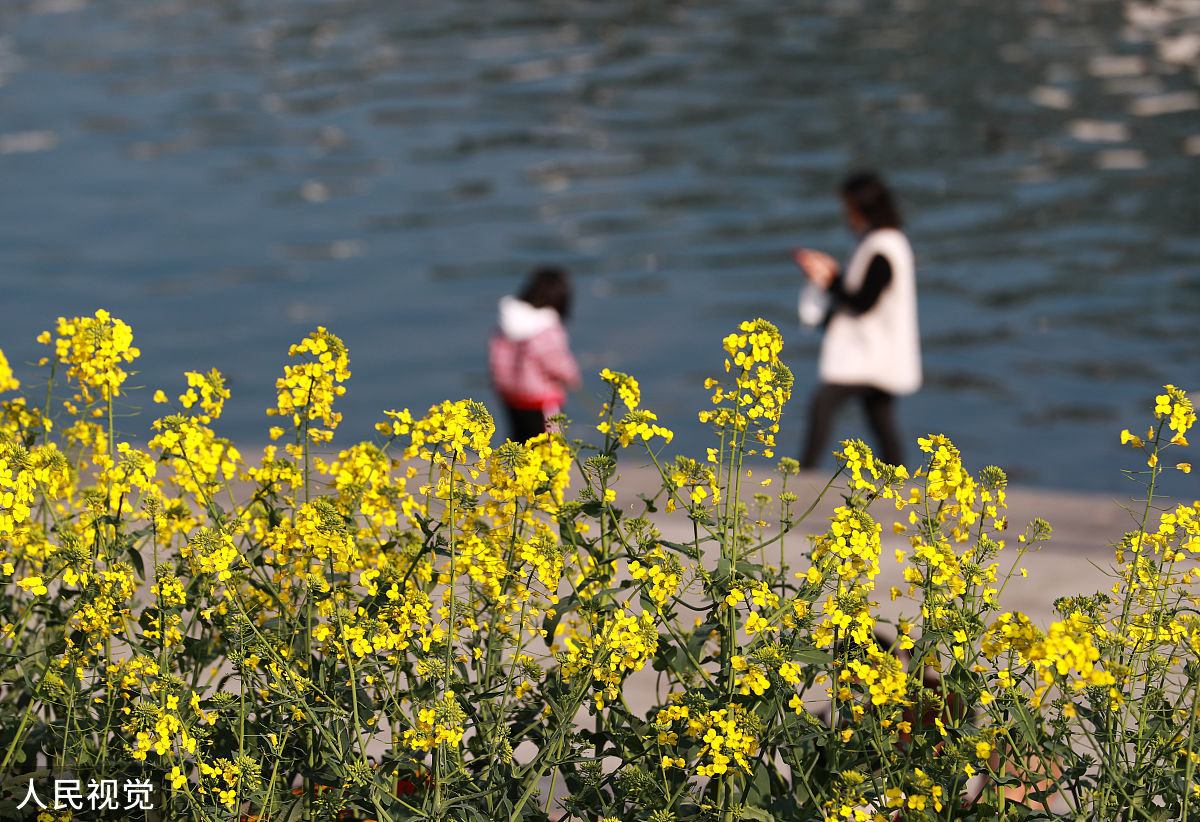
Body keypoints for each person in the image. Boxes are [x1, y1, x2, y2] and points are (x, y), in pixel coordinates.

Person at [796, 171, 921, 468]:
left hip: (870, 351)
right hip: (880, 352)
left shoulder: (882, 248)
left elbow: (864, 300)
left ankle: (804, 476)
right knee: (880, 418)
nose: (845, 214)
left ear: (861, 207)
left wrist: (830, 279)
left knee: (824, 402)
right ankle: (895, 481)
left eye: (847, 207)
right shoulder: (885, 241)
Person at [488, 267, 582, 442]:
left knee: (519, 443)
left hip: (510, 397)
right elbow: (555, 361)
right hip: (541, 399)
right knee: (551, 444)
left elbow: (496, 355)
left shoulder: (508, 320)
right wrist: (571, 377)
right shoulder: (547, 325)